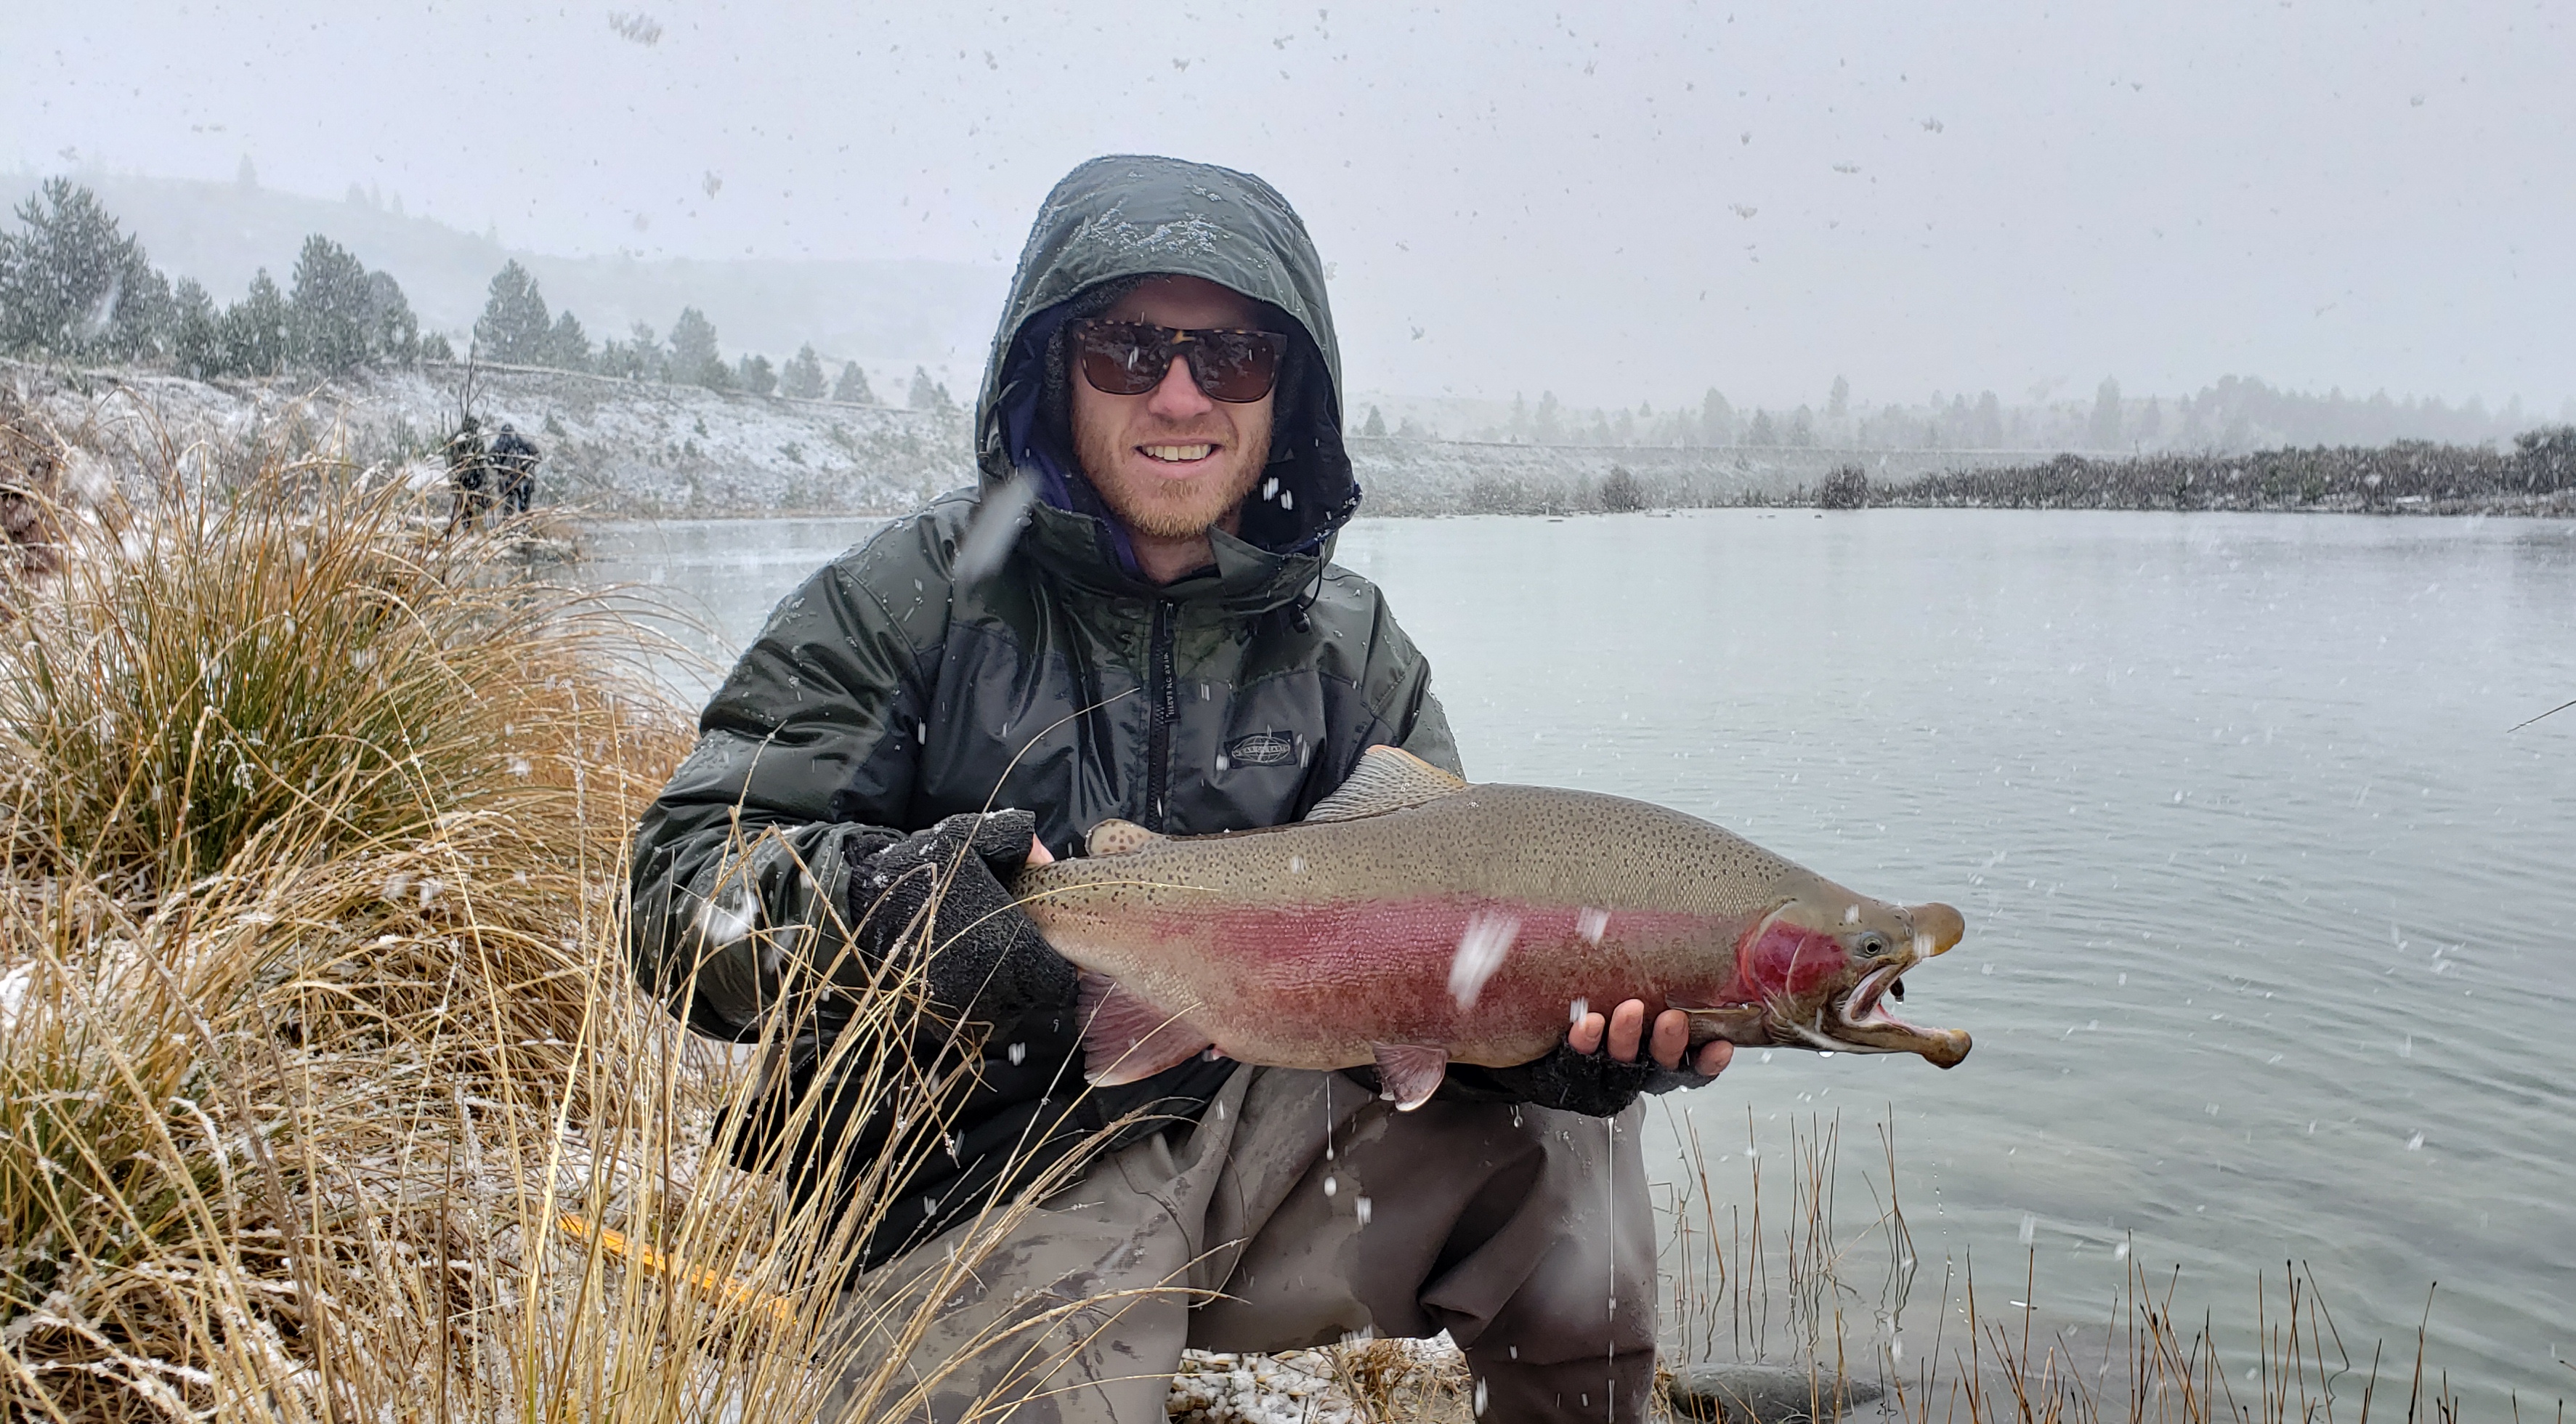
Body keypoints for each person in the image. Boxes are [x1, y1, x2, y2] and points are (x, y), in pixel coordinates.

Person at [626, 154, 1731, 1423]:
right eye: (1126, 346)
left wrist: (1533, 1044)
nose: (1178, 391)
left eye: (1232, 357)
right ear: (1052, 364)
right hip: (980, 1169)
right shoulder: (902, 600)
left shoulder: (1351, 648)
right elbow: (677, 895)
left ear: (1287, 390)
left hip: (1280, 1159)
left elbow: (1446, 945)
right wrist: (874, 915)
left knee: (1568, 1146)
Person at [445, 414, 491, 529]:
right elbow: (481, 459)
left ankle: (468, 527)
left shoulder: (457, 439)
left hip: (464, 477)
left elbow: (450, 454)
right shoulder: (472, 441)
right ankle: (482, 527)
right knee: (479, 502)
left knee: (466, 504)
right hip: (471, 477)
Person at [488, 421, 540, 519]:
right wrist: (500, 468)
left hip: (525, 478)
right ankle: (508, 525)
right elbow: (490, 459)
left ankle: (524, 525)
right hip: (509, 480)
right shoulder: (500, 445)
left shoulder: (522, 443)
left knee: (524, 507)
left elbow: (537, 456)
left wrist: (527, 464)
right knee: (509, 506)